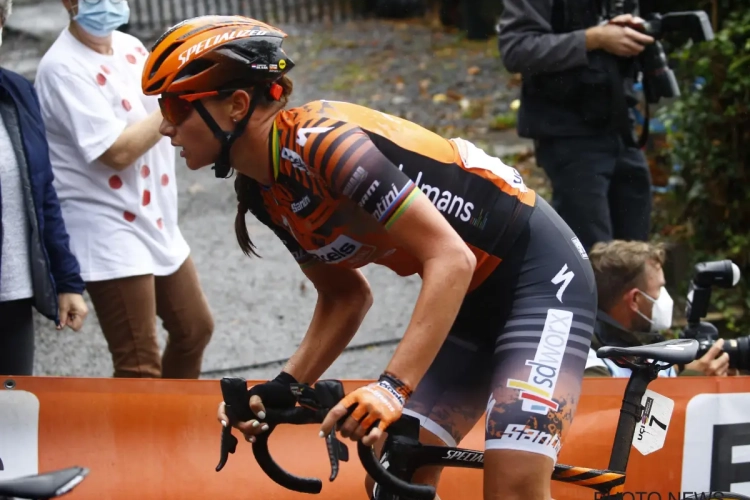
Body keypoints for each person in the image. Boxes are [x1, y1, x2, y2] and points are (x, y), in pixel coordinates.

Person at [143, 16, 598, 500]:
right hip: (467, 308)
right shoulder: (266, 190)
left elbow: (452, 259)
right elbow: (345, 297)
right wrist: (284, 387)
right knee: (396, 480)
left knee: (512, 488)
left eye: (175, 106)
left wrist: (391, 389)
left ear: (236, 105)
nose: (166, 125)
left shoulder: (325, 145)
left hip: (542, 281)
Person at [33, 0, 214, 379]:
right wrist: (173, 106)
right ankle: (147, 436)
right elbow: (116, 152)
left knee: (194, 329)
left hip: (155, 217)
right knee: (138, 363)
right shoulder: (61, 68)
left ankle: (170, 421)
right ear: (70, 3)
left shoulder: (131, 48)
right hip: (107, 224)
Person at [497, 2, 657, 252]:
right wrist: (594, 38)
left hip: (619, 126)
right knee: (593, 255)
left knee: (636, 252)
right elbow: (516, 49)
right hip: (568, 134)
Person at [0, 0, 88, 376]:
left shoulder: (16, 91)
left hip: (13, 295)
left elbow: (43, 192)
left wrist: (66, 281)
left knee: (11, 421)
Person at [583, 240, 731, 378]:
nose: (665, 298)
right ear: (635, 299)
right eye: (660, 288)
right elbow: (611, 406)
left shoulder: (642, 346)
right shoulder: (587, 362)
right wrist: (692, 380)